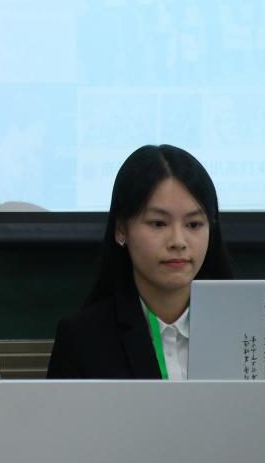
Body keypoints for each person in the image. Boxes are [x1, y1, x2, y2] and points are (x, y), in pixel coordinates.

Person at [47, 144, 234, 379]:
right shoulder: (82, 340)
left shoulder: (243, 328)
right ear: (121, 229)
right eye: (158, 223)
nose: (178, 241)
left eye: (193, 224)